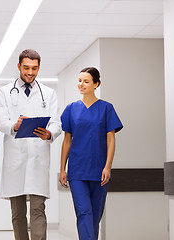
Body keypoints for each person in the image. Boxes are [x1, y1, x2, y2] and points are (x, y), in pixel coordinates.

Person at [0, 49, 62, 240]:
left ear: (39, 67)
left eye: (34, 68)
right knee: (17, 214)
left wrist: (50, 133)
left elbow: (57, 122)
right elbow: (0, 121)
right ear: (18, 66)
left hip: (38, 158)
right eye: (26, 68)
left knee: (38, 210)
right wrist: (14, 125)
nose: (30, 72)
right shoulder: (4, 92)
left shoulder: (48, 93)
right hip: (15, 160)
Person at [59, 67, 123, 240]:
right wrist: (62, 168)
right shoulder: (71, 109)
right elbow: (67, 141)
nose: (81, 84)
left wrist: (108, 166)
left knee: (95, 216)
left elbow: (111, 140)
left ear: (96, 84)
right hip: (77, 171)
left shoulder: (106, 109)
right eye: (80, 80)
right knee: (84, 213)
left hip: (99, 170)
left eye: (86, 81)